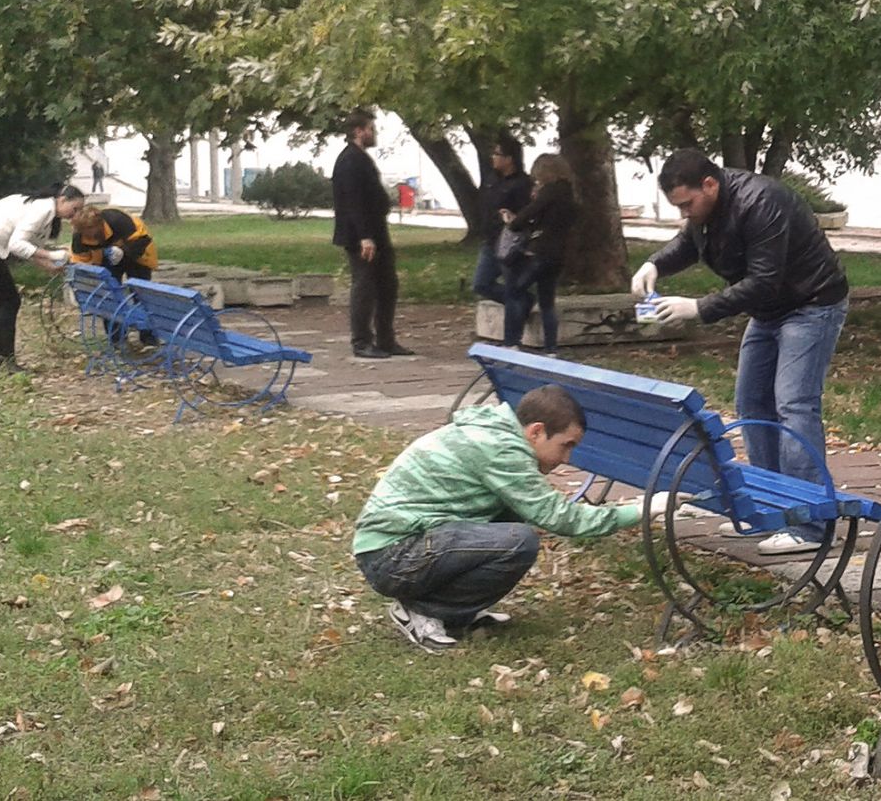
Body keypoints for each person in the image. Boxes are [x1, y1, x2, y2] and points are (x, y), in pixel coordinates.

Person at [631, 148, 849, 555]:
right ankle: (770, 510)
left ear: (710, 185)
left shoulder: (762, 202)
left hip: (812, 304)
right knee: (750, 403)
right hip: (768, 312)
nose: (684, 213)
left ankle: (811, 523)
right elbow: (689, 242)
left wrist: (697, 308)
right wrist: (654, 264)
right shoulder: (706, 211)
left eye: (686, 203)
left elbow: (766, 280)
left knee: (794, 405)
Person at [353, 384, 669, 652]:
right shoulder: (501, 449)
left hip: (398, 547)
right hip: (391, 556)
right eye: (565, 445)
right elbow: (562, 518)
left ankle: (454, 614)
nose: (567, 458)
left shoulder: (497, 435)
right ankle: (421, 612)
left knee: (513, 520)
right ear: (536, 431)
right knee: (519, 541)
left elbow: (537, 510)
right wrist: (643, 508)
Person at [0, 184, 86, 371]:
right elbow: (16, 245)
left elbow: (30, 249)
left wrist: (48, 266)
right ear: (63, 199)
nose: (75, 214)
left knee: (2, 301)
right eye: (74, 209)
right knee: (10, 301)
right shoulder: (43, 208)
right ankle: (5, 361)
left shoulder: (46, 210)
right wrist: (53, 256)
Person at [331, 109, 414, 359]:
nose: (374, 134)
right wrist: (365, 236)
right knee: (364, 287)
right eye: (371, 129)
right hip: (362, 236)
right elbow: (354, 202)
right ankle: (361, 341)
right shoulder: (350, 160)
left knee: (388, 285)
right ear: (359, 131)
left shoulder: (360, 158)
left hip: (377, 232)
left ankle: (386, 339)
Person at [501, 153, 579, 354]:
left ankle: (511, 342)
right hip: (559, 254)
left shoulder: (550, 192)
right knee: (547, 302)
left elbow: (529, 214)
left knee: (516, 292)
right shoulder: (570, 194)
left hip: (541, 251)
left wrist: (513, 222)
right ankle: (551, 348)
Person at [69, 206, 159, 345]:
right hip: (106, 259)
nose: (87, 235)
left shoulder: (119, 220)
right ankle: (117, 338)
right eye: (83, 231)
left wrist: (123, 251)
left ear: (99, 224)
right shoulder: (79, 236)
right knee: (109, 295)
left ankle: (148, 335)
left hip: (137, 255)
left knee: (141, 292)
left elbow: (142, 240)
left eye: (90, 229)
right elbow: (80, 261)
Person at [472, 136, 532, 303]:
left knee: (513, 284)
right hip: (490, 241)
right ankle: (523, 301)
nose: (493, 157)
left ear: (509, 159)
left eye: (497, 154)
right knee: (481, 284)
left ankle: (519, 306)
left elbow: (525, 214)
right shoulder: (492, 180)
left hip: (509, 243)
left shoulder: (522, 184)